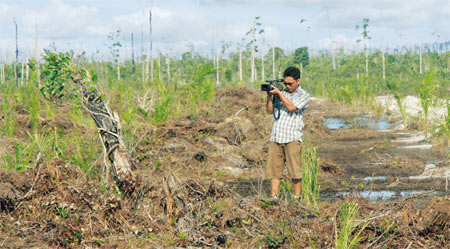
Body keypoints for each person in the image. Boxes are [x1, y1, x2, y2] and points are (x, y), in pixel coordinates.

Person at [265, 66, 310, 201]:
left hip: (292, 137)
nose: (288, 86)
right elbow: (269, 111)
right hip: (277, 136)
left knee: (295, 171)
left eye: (290, 83)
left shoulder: (304, 95)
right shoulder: (282, 92)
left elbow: (291, 107)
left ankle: (297, 198)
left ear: (298, 81)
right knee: (275, 170)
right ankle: (274, 197)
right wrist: (269, 96)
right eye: (286, 83)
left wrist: (279, 94)